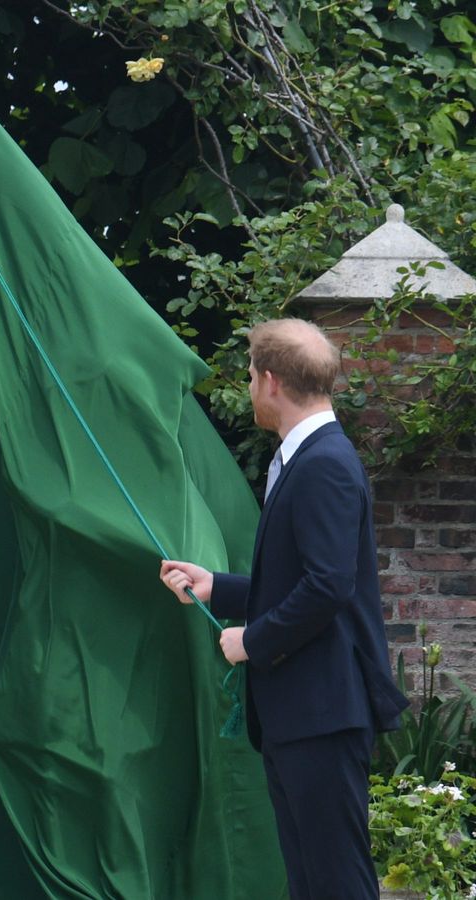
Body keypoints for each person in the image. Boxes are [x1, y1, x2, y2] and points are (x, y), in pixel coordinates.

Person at [159, 317, 407, 900]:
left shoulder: (323, 463)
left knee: (336, 881)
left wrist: (252, 640)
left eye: (249, 375)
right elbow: (301, 580)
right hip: (306, 710)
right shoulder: (307, 457)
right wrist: (216, 586)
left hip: (322, 710)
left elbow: (328, 588)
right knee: (309, 880)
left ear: (270, 381)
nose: (249, 387)